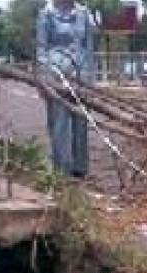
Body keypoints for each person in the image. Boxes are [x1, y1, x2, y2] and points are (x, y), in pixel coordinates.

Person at [36, 0, 96, 178]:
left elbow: (89, 47)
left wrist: (90, 80)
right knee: (59, 123)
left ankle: (80, 168)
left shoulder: (83, 13)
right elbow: (41, 49)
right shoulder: (45, 14)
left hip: (81, 74)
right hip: (56, 74)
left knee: (81, 120)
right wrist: (44, 79)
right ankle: (61, 170)